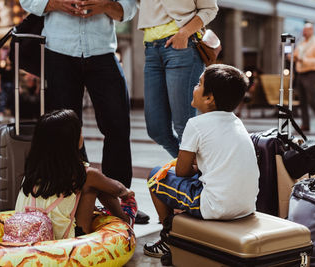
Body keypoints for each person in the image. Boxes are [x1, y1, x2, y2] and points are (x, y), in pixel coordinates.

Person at [19, 0, 149, 223]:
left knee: (117, 124)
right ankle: (76, 198)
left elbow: (128, 9)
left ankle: (119, 200)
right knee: (65, 131)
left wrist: (104, 5)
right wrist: (56, 3)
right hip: (58, 51)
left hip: (102, 51)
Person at [143, 64, 260, 257]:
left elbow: (181, 171)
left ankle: (168, 239)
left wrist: (193, 168)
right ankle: (181, 229)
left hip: (216, 207)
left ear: (209, 98)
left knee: (155, 176)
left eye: (199, 83)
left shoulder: (196, 124)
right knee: (191, 183)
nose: (194, 87)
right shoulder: (237, 122)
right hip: (246, 205)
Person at [15, 109, 137, 238]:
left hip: (28, 234)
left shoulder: (32, 172)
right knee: (94, 187)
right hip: (65, 244)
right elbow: (117, 189)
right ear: (73, 141)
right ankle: (125, 222)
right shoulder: (86, 174)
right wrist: (126, 193)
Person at [137, 0, 218, 158]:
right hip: (151, 49)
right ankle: (195, 171)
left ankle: (199, 177)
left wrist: (184, 33)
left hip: (182, 47)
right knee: (156, 130)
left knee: (184, 127)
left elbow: (209, 9)